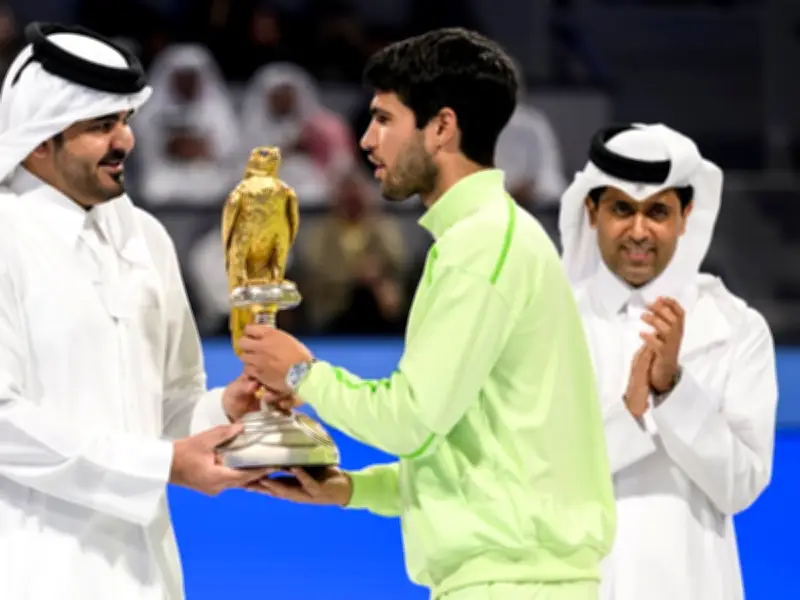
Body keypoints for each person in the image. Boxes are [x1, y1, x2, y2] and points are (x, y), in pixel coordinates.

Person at [237, 27, 616, 600]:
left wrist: (301, 373)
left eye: (384, 119)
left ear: (441, 127)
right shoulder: (490, 237)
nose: (365, 140)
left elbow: (410, 421)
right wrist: (353, 490)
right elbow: (471, 452)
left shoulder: (481, 246)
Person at [0, 23, 267, 600]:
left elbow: (169, 404)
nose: (126, 141)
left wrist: (225, 407)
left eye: (125, 121)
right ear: (40, 140)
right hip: (34, 569)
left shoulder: (146, 236)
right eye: (101, 126)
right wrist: (160, 466)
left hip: (150, 573)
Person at [558, 123, 778, 600]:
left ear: (686, 215)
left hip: (693, 582)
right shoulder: (549, 322)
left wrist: (672, 389)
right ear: (591, 211)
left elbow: (741, 486)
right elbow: (537, 473)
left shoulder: (736, 329)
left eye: (657, 211)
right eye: (621, 209)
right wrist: (633, 414)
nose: (639, 231)